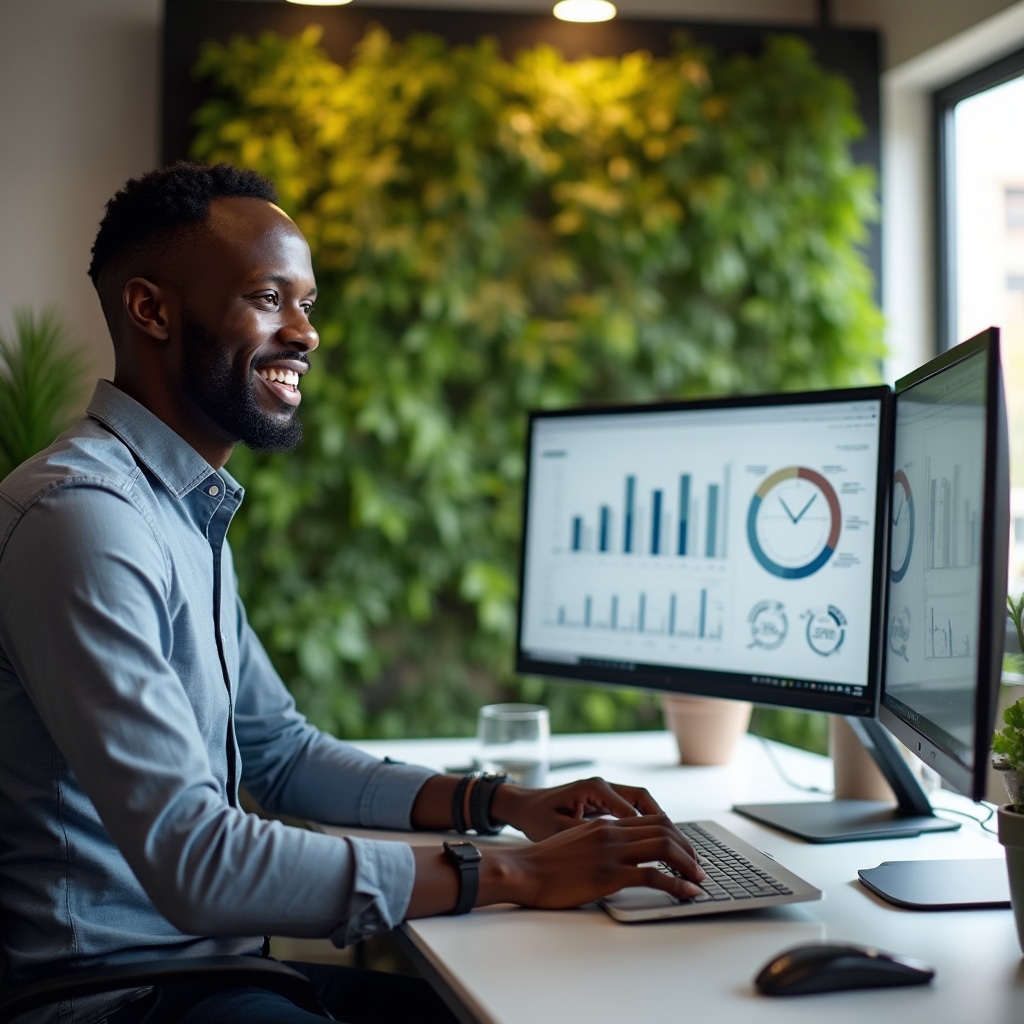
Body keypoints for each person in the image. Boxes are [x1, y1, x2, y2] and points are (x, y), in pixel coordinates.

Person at [0, 162, 705, 1024]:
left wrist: (504, 804)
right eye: (269, 298)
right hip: (117, 1000)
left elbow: (281, 754)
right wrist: (515, 871)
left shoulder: (178, 512)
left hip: (212, 975)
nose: (305, 333)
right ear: (152, 309)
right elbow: (195, 860)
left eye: (307, 304)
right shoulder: (83, 522)